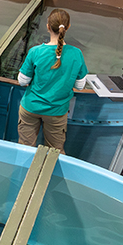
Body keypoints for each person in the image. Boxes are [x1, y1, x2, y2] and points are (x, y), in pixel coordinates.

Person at [17, 8, 87, 151]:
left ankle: (22, 172)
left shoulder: (35, 52)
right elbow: (80, 85)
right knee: (55, 151)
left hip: (31, 108)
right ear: (68, 27)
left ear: (48, 26)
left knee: (24, 147)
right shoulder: (77, 54)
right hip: (57, 112)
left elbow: (22, 81)